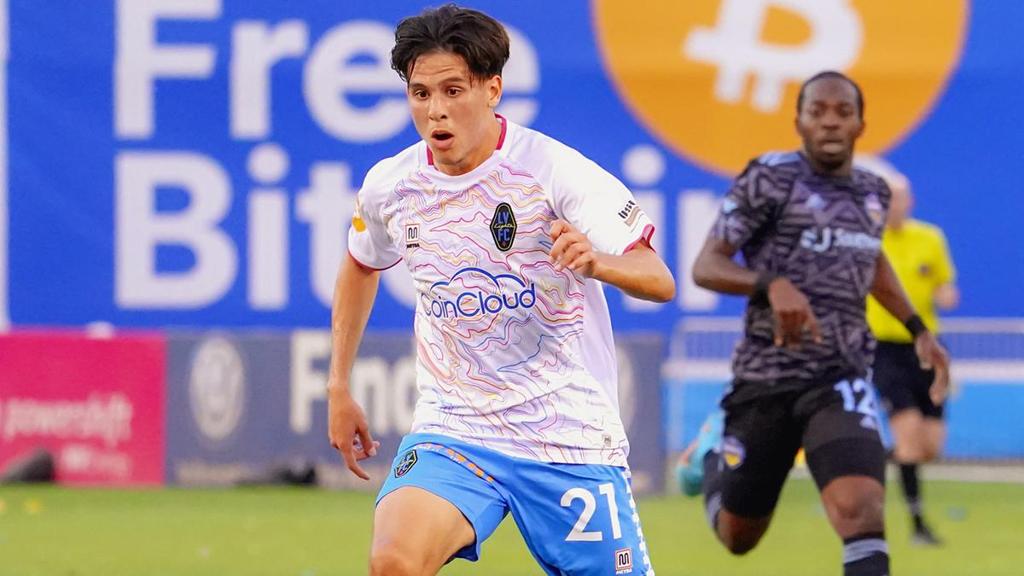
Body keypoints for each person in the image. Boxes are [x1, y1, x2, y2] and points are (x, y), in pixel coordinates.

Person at [326, 5, 674, 575]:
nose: (435, 110)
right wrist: (338, 385)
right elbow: (361, 263)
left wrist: (599, 261)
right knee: (394, 563)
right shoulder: (392, 185)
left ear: (492, 89)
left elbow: (658, 279)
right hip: (455, 427)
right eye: (419, 93)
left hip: (566, 434)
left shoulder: (555, 171)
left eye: (452, 90)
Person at [683, 70, 950, 576]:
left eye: (842, 112)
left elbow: (872, 262)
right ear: (799, 122)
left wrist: (918, 328)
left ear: (860, 125)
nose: (830, 121)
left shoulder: (872, 192)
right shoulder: (769, 178)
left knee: (862, 511)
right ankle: (712, 455)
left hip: (838, 377)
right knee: (739, 537)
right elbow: (706, 266)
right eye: (818, 111)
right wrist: (770, 283)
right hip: (767, 378)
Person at [864, 163, 959, 546]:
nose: (895, 206)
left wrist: (945, 294)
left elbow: (944, 284)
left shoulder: (930, 238)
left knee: (929, 446)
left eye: (900, 198)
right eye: (888, 200)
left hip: (926, 347)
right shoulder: (869, 242)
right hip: (885, 349)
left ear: (910, 201)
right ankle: (918, 526)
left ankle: (882, 456)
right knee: (909, 435)